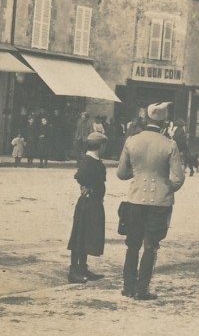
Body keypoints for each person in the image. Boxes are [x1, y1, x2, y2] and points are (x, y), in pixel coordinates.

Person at [116, 102, 186, 300]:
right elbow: (178, 179)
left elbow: (121, 173)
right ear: (164, 121)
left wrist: (137, 174)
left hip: (135, 199)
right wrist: (166, 187)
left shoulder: (131, 141)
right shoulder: (170, 144)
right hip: (159, 203)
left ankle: (128, 287)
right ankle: (142, 289)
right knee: (151, 246)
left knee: (132, 245)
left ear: (146, 119)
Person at [67, 131, 108, 283]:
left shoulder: (93, 159)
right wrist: (87, 188)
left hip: (93, 202)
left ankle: (82, 268)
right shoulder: (89, 160)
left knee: (86, 235)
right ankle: (73, 271)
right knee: (79, 236)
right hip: (88, 203)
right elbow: (80, 175)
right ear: (100, 146)